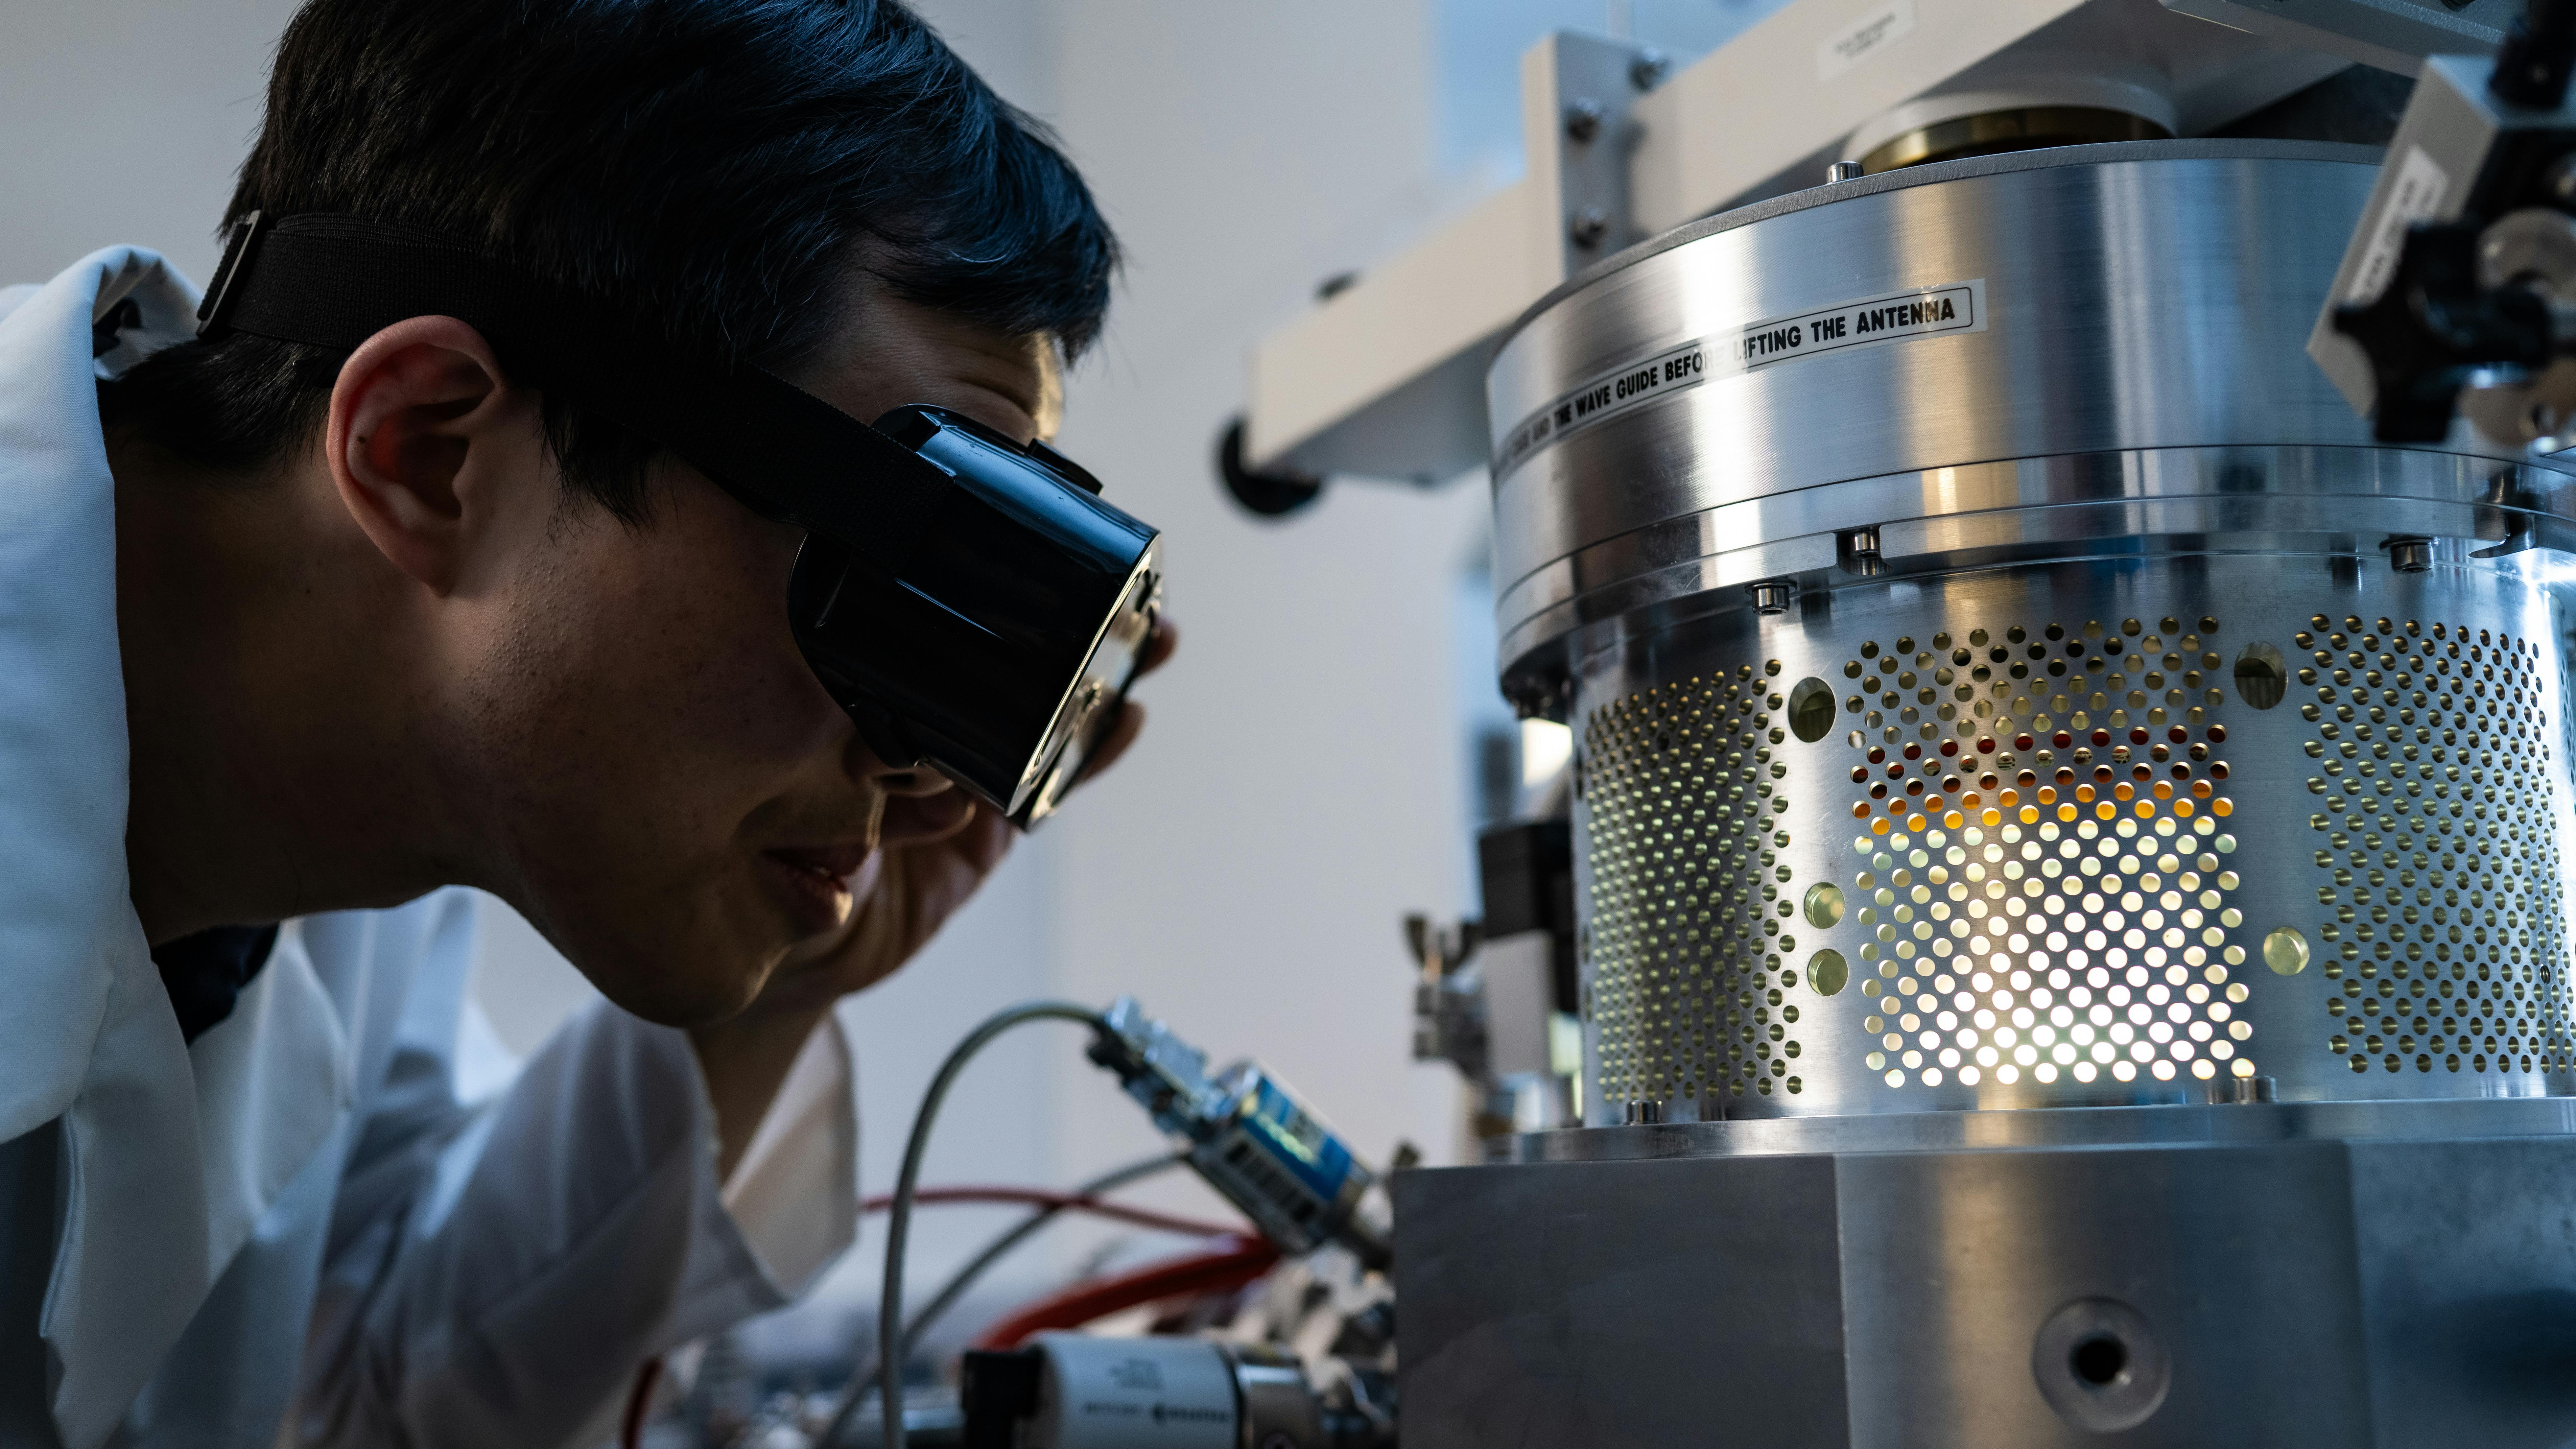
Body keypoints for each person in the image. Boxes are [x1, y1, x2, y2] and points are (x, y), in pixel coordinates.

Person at [0, 2, 1167, 1445]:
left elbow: (367, 1396)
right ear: (428, 450)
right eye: (890, 575)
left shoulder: (345, 801)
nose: (920, 762)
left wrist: (798, 966)